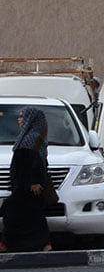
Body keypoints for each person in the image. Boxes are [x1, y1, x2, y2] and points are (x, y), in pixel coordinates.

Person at [0, 107, 53, 253]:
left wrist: (34, 182)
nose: (19, 119)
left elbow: (35, 161)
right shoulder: (30, 136)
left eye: (22, 117)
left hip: (28, 185)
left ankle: (8, 244)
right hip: (22, 184)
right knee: (30, 214)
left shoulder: (32, 138)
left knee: (14, 211)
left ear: (31, 119)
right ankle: (40, 244)